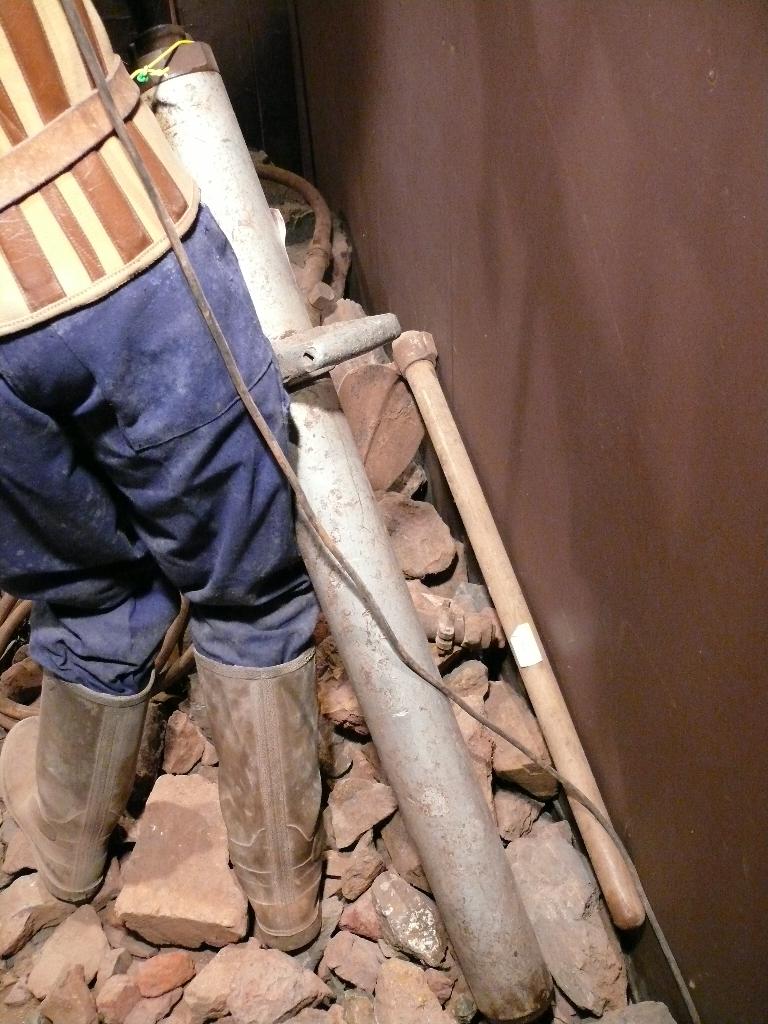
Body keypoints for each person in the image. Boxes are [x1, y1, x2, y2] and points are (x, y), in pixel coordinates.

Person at [0, 0, 323, 951]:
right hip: (112, 241)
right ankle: (286, 897)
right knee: (250, 588)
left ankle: (67, 860)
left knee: (86, 590)